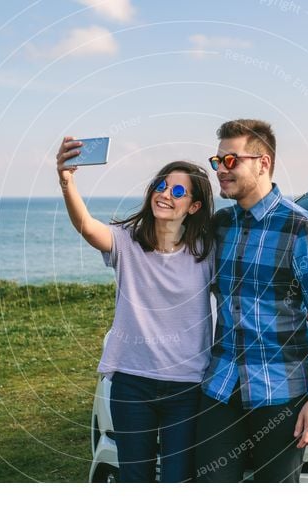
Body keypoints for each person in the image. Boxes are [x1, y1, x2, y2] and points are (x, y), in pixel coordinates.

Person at [195, 119, 308, 483]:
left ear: (263, 163)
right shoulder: (220, 225)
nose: (221, 171)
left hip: (280, 394)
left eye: (231, 161)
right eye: (218, 162)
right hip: (220, 387)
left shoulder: (301, 229)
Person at [56, 137, 215, 482]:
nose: (164, 194)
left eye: (177, 192)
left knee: (177, 480)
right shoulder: (127, 241)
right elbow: (86, 226)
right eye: (161, 185)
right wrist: (67, 181)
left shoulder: (207, 251)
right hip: (132, 383)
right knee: (135, 479)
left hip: (186, 387)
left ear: (194, 207)